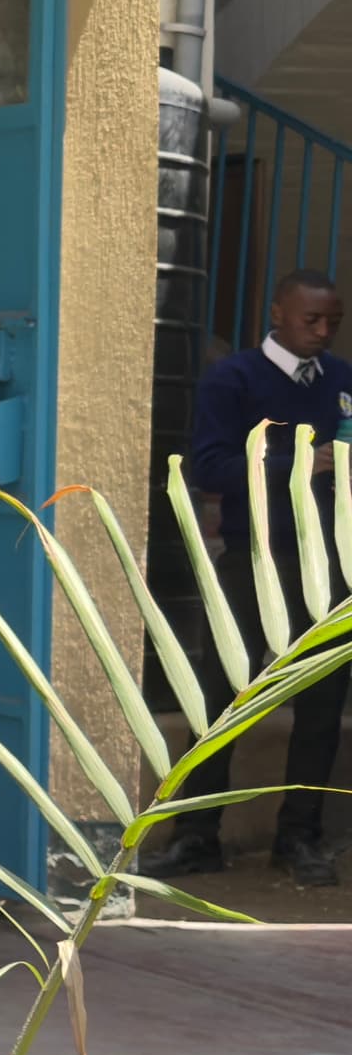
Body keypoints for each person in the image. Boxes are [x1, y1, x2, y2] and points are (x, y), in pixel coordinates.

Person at [169, 269, 349, 886]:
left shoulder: (344, 382)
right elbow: (212, 466)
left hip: (331, 566)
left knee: (322, 708)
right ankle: (195, 836)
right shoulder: (236, 378)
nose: (323, 332)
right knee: (221, 702)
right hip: (255, 560)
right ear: (279, 312)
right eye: (311, 320)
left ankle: (299, 839)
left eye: (333, 321)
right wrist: (303, 462)